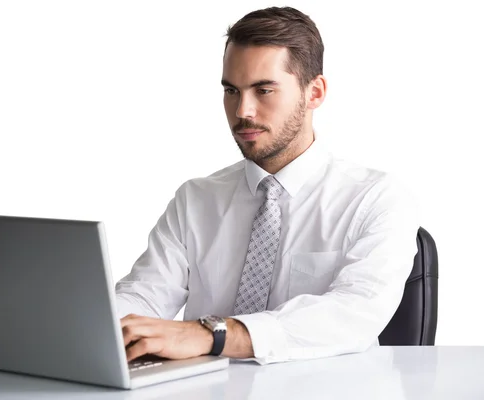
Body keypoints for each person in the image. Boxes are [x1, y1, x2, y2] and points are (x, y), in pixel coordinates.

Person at [115, 6, 419, 365]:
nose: (243, 110)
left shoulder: (376, 198)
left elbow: (354, 313)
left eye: (264, 90)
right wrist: (96, 326)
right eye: (231, 90)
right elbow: (144, 297)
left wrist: (212, 334)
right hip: (207, 391)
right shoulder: (195, 199)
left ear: (315, 93)